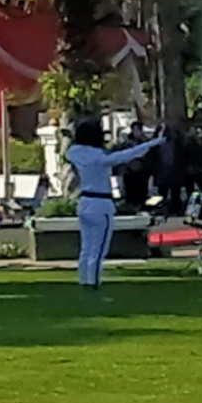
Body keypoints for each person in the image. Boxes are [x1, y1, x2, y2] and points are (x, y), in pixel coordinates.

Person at [67, 120, 164, 289]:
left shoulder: (74, 153)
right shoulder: (99, 158)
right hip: (101, 203)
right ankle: (93, 282)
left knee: (86, 246)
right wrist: (154, 142)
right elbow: (128, 155)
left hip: (84, 201)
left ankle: (84, 279)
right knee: (99, 247)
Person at [119, 122, 154, 210]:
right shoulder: (127, 143)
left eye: (139, 129)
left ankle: (141, 205)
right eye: (135, 130)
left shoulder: (145, 142)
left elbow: (150, 155)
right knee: (131, 192)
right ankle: (131, 206)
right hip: (129, 171)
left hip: (142, 171)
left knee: (141, 192)